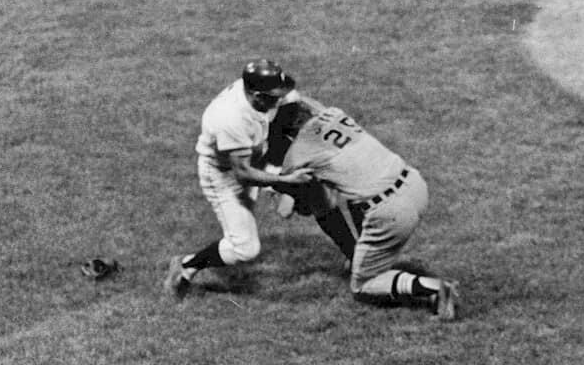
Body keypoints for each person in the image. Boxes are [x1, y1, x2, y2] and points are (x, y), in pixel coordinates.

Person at [273, 102, 459, 320]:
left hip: (391, 212)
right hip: (416, 185)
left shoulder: (297, 153)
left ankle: (435, 287)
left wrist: (276, 184)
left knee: (363, 285)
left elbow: (285, 211)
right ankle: (362, 258)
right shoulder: (334, 113)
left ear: (291, 130)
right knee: (353, 196)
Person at [163, 59, 319, 298]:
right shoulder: (230, 118)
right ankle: (185, 265)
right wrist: (287, 181)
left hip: (252, 156)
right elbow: (243, 174)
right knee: (245, 249)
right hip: (224, 177)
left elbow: (292, 97)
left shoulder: (257, 95)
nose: (278, 99)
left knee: (300, 202)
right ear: (257, 95)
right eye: (273, 96)